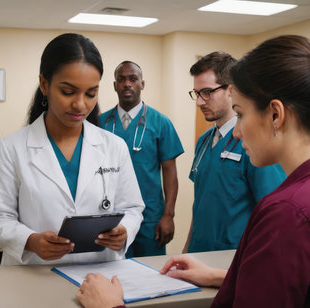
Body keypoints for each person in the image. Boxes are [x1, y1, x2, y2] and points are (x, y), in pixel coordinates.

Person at [77, 35, 310, 308]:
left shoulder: (285, 213)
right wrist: (223, 276)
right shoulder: (295, 202)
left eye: (242, 113)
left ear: (275, 115)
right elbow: (274, 284)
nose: (236, 130)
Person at [0, 33, 144, 265]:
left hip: (99, 274)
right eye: (68, 92)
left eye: (91, 93)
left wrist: (124, 231)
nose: (80, 104)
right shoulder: (11, 148)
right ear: (45, 84)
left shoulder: (114, 146)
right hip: (34, 277)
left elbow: (132, 208)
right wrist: (31, 241)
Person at [183, 51, 285, 253]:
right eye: (196, 93)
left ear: (231, 90)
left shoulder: (255, 143)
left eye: (207, 92)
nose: (199, 102)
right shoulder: (204, 142)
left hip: (233, 257)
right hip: (199, 253)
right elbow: (201, 203)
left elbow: (273, 214)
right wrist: (186, 250)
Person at [100, 61, 183, 257]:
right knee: (112, 273)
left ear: (142, 84)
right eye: (121, 79)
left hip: (151, 217)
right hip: (110, 216)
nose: (127, 84)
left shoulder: (161, 123)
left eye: (133, 79)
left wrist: (168, 215)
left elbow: (170, 171)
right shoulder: (99, 123)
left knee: (151, 275)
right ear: (114, 85)